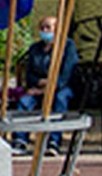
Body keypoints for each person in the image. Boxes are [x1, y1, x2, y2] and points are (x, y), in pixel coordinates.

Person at [12, 14, 79, 149]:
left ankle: (54, 141)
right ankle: (20, 139)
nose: (45, 31)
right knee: (24, 102)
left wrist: (50, 86)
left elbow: (67, 74)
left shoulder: (67, 46)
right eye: (42, 28)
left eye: (48, 27)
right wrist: (37, 84)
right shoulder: (35, 49)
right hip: (38, 87)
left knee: (60, 99)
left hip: (60, 87)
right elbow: (29, 73)